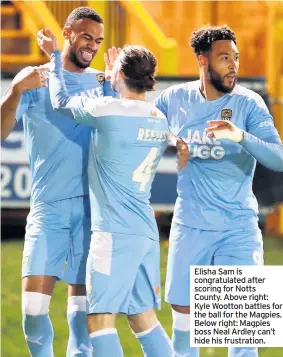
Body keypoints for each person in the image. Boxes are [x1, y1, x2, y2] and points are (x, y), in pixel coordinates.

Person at [37, 26, 184, 357]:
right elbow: (122, 112)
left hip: (113, 234)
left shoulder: (110, 111)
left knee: (100, 322)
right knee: (142, 320)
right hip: (144, 232)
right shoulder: (158, 118)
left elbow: (61, 101)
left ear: (121, 73)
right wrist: (113, 79)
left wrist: (55, 57)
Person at [155, 25, 283, 357]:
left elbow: (279, 159)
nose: (233, 66)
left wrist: (240, 136)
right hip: (189, 225)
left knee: (241, 333)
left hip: (237, 228)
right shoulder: (175, 99)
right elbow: (147, 132)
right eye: (224, 58)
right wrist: (172, 143)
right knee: (183, 325)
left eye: (236, 58)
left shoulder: (249, 103)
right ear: (202, 61)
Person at [1, 7, 117, 357]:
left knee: (83, 319)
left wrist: (115, 88)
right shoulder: (34, 79)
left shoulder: (103, 83)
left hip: (91, 212)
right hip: (47, 209)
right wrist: (15, 93)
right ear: (67, 32)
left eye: (97, 41)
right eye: (86, 37)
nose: (91, 46)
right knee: (33, 310)